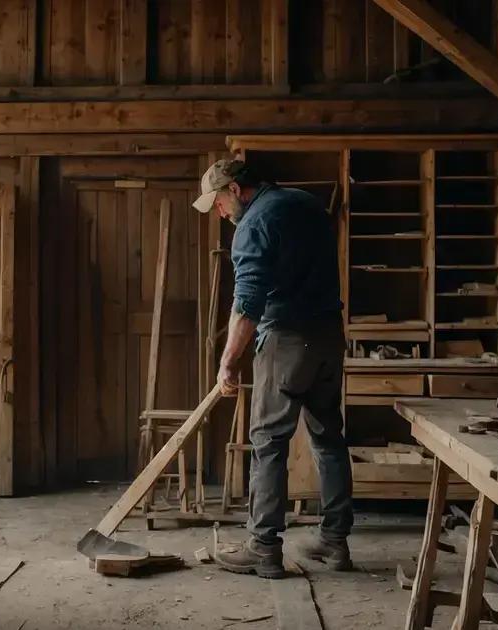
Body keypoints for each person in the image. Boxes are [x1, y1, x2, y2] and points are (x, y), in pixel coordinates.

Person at [192, 158, 353, 579]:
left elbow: (247, 303)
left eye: (219, 202)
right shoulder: (306, 203)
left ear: (235, 189)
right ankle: (335, 541)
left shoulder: (254, 224)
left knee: (268, 442)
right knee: (329, 438)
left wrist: (228, 362)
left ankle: (263, 548)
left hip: (287, 341)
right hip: (328, 336)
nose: (219, 212)